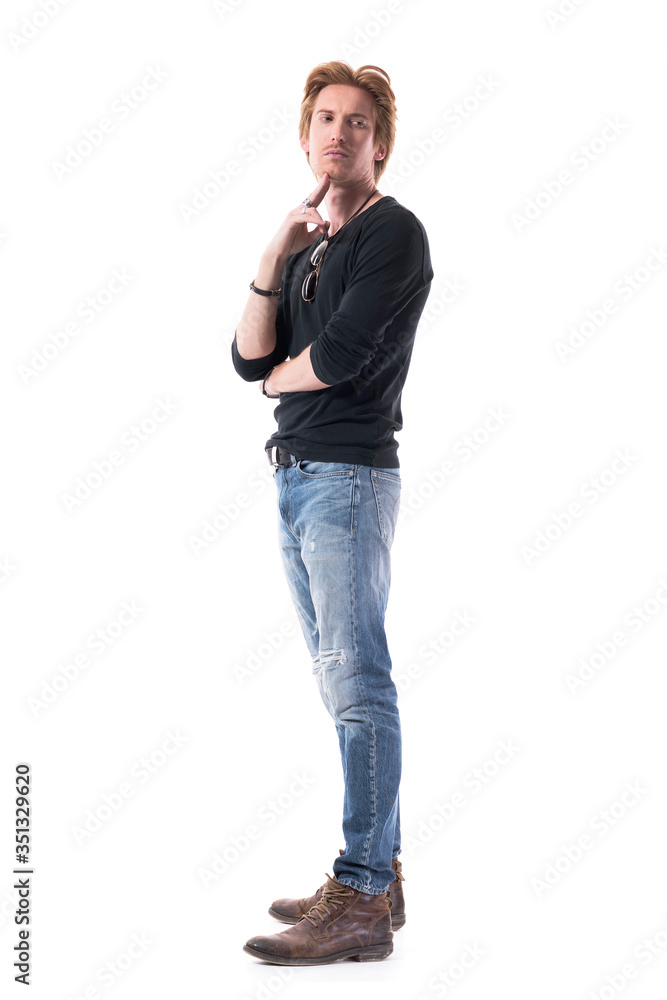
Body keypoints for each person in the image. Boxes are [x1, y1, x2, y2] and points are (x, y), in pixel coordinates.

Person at [232, 60, 433, 966]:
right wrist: (276, 250)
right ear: (305, 134)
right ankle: (376, 878)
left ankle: (356, 894)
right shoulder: (311, 248)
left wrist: (280, 378)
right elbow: (245, 355)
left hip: (348, 477)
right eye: (324, 117)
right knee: (340, 685)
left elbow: (340, 356)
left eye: (357, 122)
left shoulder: (396, 234)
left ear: (378, 146)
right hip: (298, 477)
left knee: (360, 685)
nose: (338, 132)